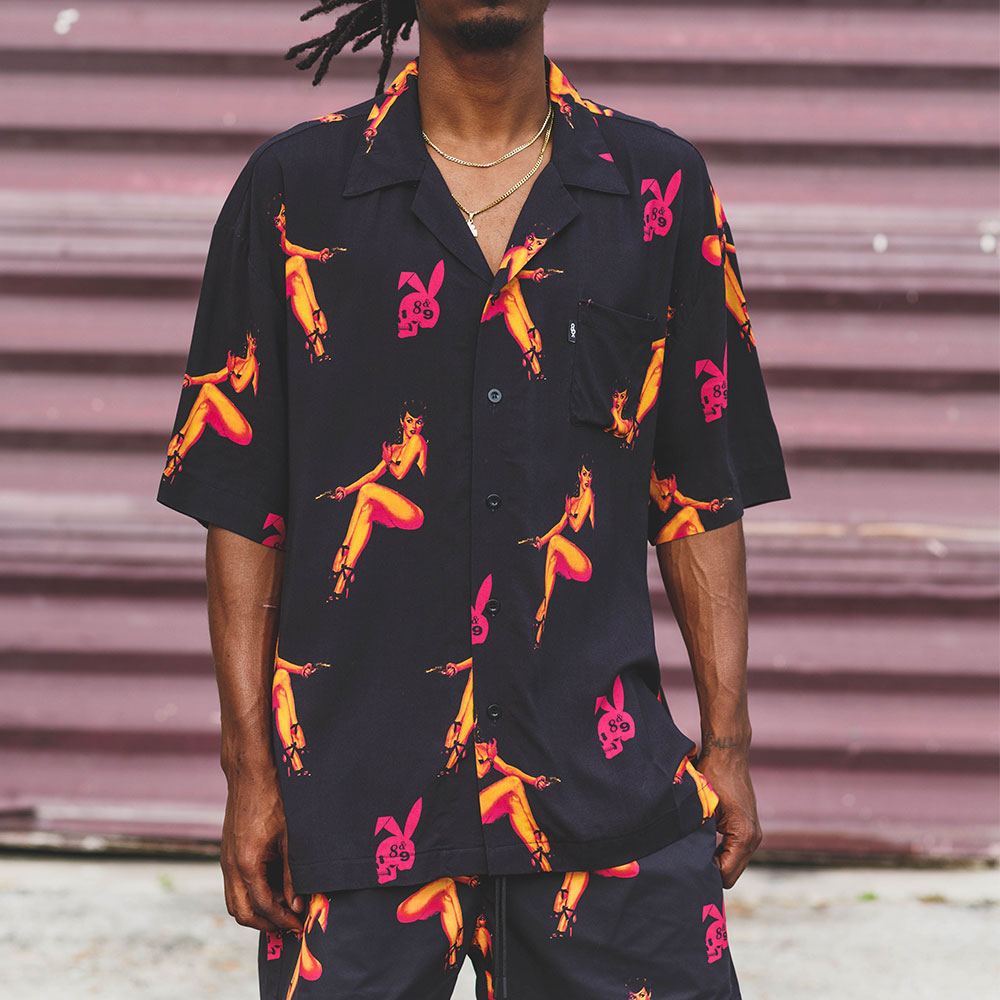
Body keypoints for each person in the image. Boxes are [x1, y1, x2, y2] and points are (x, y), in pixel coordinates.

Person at [156, 1, 790, 997]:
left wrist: (729, 744)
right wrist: (250, 773)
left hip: (603, 798)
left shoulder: (659, 188)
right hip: (356, 808)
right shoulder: (294, 192)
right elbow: (242, 503)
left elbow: (698, 491)